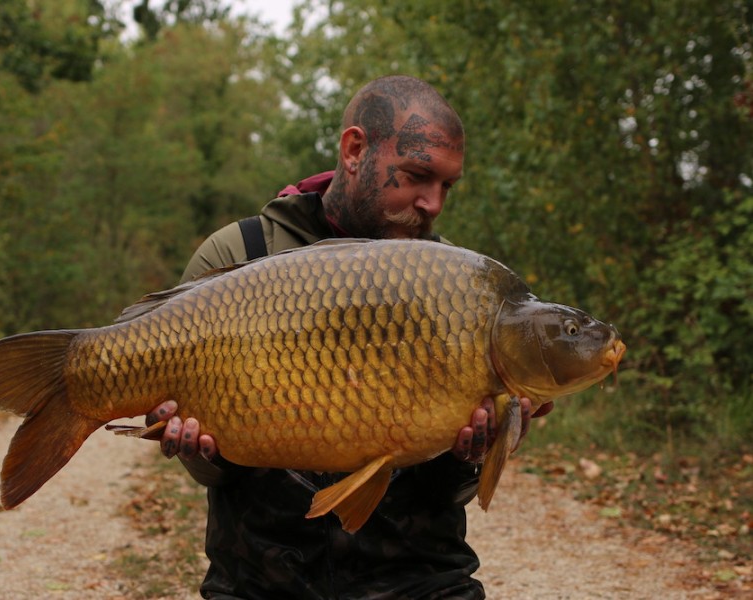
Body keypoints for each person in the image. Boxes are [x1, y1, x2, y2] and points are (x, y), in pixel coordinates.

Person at [147, 75, 553, 599]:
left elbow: (457, 491)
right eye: (416, 176)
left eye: (446, 186)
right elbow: (210, 475)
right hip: (262, 583)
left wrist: (473, 453)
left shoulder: (459, 286)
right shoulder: (239, 254)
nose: (433, 204)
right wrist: (202, 451)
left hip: (420, 582)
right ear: (355, 149)